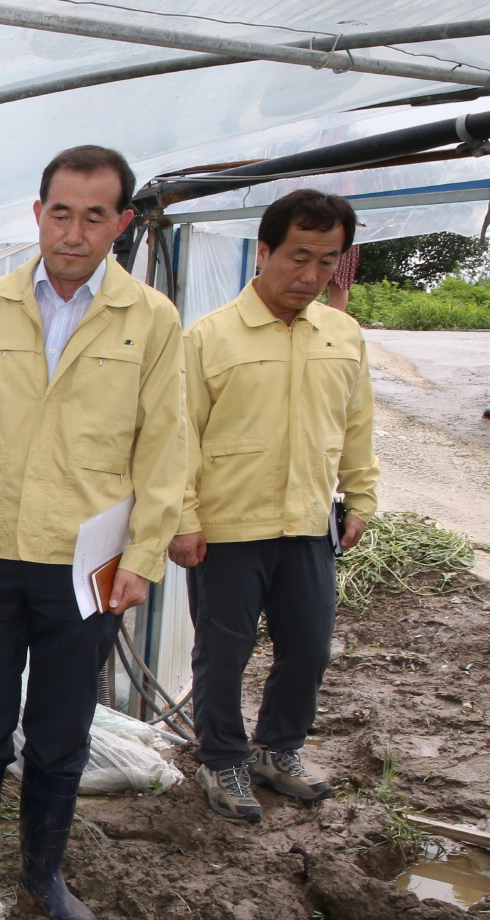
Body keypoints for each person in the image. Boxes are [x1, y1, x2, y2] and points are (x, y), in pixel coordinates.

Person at [0, 145, 187, 920]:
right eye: (60, 213)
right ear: (37, 214)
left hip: (87, 565)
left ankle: (43, 877)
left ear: (121, 223)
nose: (73, 232)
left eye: (94, 216)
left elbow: (166, 446)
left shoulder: (153, 320)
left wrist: (141, 559)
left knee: (63, 729)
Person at [169, 189, 378, 823]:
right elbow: (179, 437)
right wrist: (183, 518)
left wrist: (362, 495)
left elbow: (357, 425)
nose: (310, 275)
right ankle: (221, 756)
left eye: (326, 260)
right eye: (298, 257)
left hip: (309, 522)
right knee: (222, 651)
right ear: (264, 252)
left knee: (310, 647)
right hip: (228, 528)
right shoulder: (207, 339)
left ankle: (278, 748)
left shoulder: (343, 335)